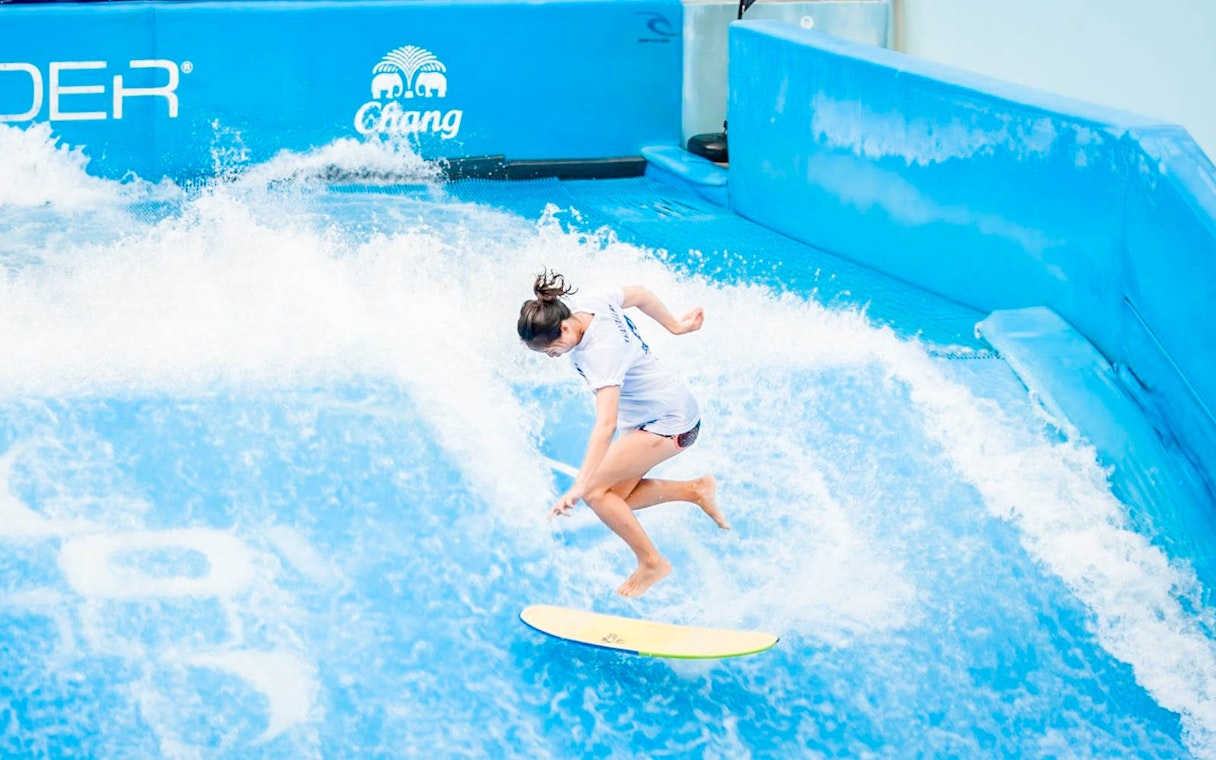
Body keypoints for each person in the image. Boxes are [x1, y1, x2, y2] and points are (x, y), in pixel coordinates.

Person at [518, 269, 729, 598]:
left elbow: (606, 425)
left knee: (595, 493)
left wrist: (580, 485)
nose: (552, 355)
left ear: (564, 327)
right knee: (614, 500)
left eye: (552, 348)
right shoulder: (590, 303)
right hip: (660, 410)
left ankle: (652, 563)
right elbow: (640, 293)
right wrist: (675, 326)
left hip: (669, 421)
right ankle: (695, 490)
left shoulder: (600, 355)